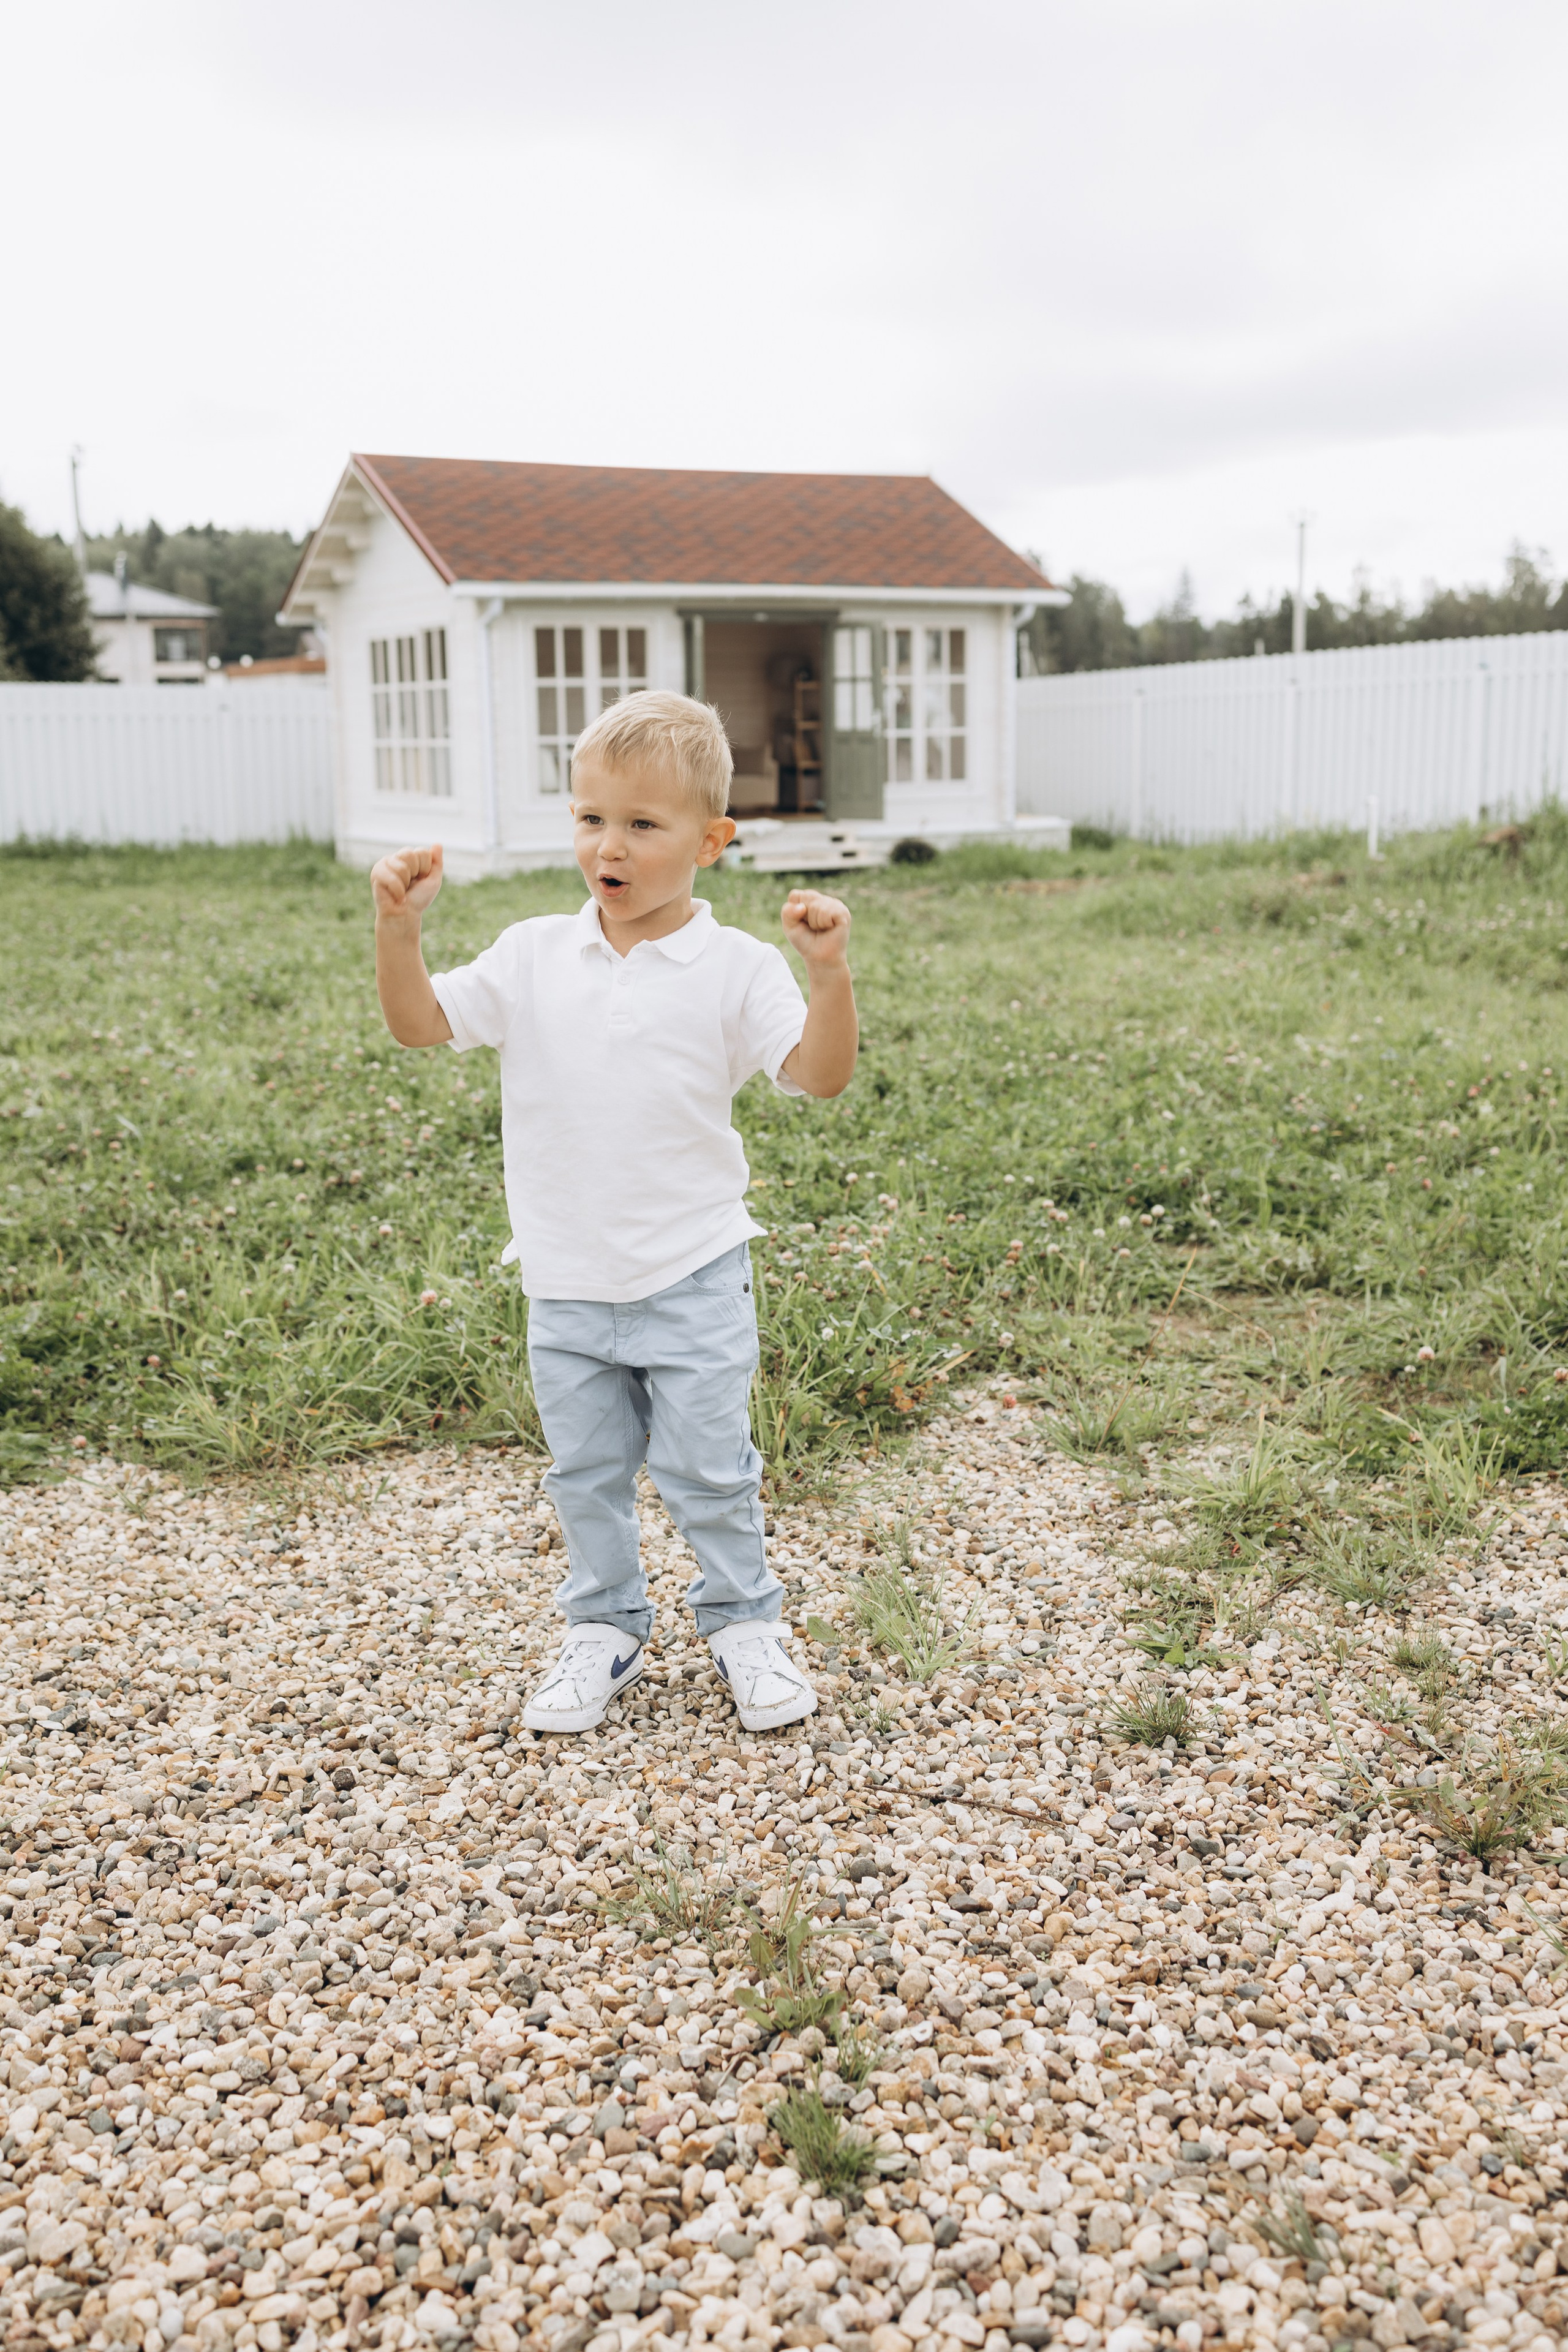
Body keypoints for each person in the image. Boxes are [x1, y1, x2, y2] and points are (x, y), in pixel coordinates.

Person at [371, 690, 858, 1736]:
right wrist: (397, 930)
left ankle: (743, 1623)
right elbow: (419, 1025)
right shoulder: (533, 952)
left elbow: (818, 1077)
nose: (612, 845)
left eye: (644, 823)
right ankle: (605, 1626)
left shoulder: (736, 968)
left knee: (710, 1470)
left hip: (691, 1270)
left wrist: (830, 977)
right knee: (585, 1473)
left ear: (713, 841)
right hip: (567, 1277)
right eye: (593, 818)